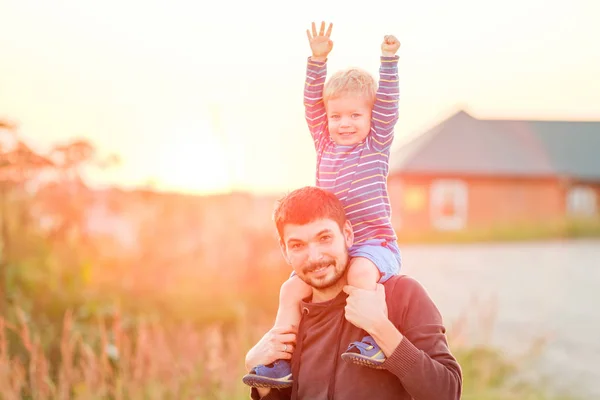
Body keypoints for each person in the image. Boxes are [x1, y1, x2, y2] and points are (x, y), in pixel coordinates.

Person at [243, 21, 403, 388]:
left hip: (372, 244)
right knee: (290, 290)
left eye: (354, 116)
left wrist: (388, 61)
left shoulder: (375, 146)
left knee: (361, 274)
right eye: (336, 116)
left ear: (369, 117)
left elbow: (389, 106)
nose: (344, 124)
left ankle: (373, 341)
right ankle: (279, 362)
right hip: (332, 242)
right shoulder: (325, 144)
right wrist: (318, 60)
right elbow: (311, 105)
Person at [243, 186, 462, 399]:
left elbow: (447, 393)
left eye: (324, 238)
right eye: (298, 245)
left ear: (347, 234)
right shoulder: (293, 316)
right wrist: (257, 369)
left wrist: (381, 329)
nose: (314, 257)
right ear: (285, 250)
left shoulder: (402, 295)